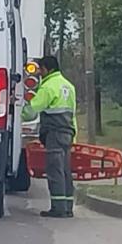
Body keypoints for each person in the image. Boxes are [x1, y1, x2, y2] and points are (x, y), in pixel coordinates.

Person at [23, 56, 77, 218]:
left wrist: (15, 110)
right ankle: (67, 207)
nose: (39, 72)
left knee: (55, 171)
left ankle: (58, 208)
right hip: (68, 132)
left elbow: (32, 110)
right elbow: (72, 114)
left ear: (47, 69)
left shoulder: (48, 87)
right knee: (65, 171)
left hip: (54, 134)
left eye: (40, 69)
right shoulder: (68, 86)